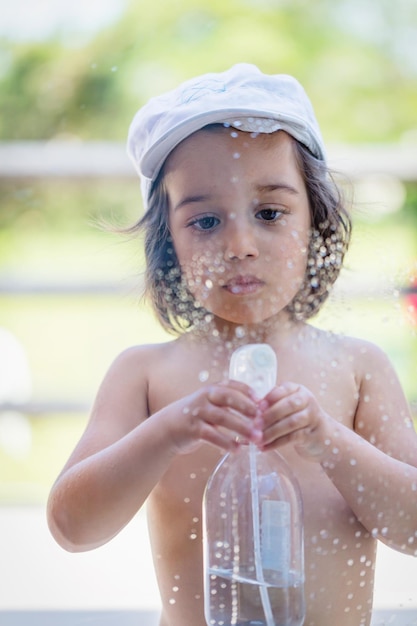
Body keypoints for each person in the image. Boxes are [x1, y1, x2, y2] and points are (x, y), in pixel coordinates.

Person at [47, 64, 417, 626]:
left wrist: (328, 438)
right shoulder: (146, 375)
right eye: (206, 221)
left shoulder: (357, 367)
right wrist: (167, 430)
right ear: (168, 242)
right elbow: (73, 528)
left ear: (315, 222)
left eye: (270, 213)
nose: (240, 243)